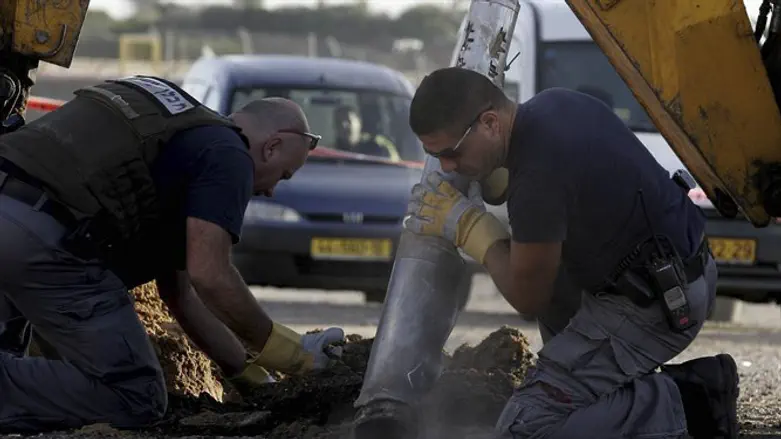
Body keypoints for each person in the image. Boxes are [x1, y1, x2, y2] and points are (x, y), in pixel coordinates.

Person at [402, 67, 738, 439]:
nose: (447, 167)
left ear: (490, 123)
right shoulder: (553, 105)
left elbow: (528, 297)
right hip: (680, 269)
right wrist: (495, 170)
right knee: (545, 269)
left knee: (526, 426)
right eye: (436, 156)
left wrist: (470, 229)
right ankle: (595, 391)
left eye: (452, 153)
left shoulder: (538, 176)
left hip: (657, 305)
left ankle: (692, 400)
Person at [0, 75, 345, 432]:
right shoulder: (229, 155)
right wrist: (293, 352)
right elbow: (210, 276)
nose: (272, 191)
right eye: (283, 175)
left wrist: (246, 373)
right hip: (44, 241)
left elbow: (181, 296)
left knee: (10, 353)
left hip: (12, 210)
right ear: (271, 147)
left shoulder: (178, 132)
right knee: (135, 395)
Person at [332, 105, 400, 160]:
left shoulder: (380, 146)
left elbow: (394, 167)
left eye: (348, 121)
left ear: (359, 123)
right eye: (339, 122)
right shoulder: (331, 152)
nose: (343, 126)